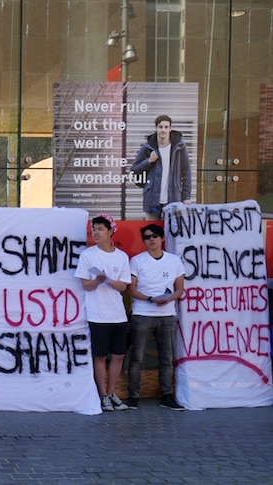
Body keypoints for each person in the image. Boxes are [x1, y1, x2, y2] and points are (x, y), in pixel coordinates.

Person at [74, 214, 132, 412]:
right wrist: (97, 281)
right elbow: (85, 285)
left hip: (118, 314)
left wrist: (108, 280)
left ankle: (112, 391)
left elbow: (123, 286)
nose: (95, 232)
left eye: (99, 229)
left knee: (118, 355)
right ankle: (102, 395)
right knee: (99, 356)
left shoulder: (122, 256)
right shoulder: (88, 255)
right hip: (97, 315)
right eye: (93, 229)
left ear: (110, 231)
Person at [126, 224, 186, 410]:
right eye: (147, 237)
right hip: (142, 314)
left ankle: (166, 396)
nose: (151, 239)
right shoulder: (136, 261)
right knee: (136, 358)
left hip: (167, 315)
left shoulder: (174, 260)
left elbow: (180, 289)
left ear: (162, 238)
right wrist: (150, 299)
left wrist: (168, 299)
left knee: (167, 358)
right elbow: (131, 289)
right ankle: (133, 396)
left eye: (155, 235)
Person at [130, 114, 192, 220]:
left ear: (170, 129)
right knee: (151, 232)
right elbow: (134, 169)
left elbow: (186, 173)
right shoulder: (148, 147)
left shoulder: (179, 147)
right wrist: (149, 161)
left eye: (166, 127)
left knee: (172, 233)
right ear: (156, 128)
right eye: (160, 127)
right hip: (152, 200)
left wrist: (186, 197)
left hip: (173, 199)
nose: (163, 130)